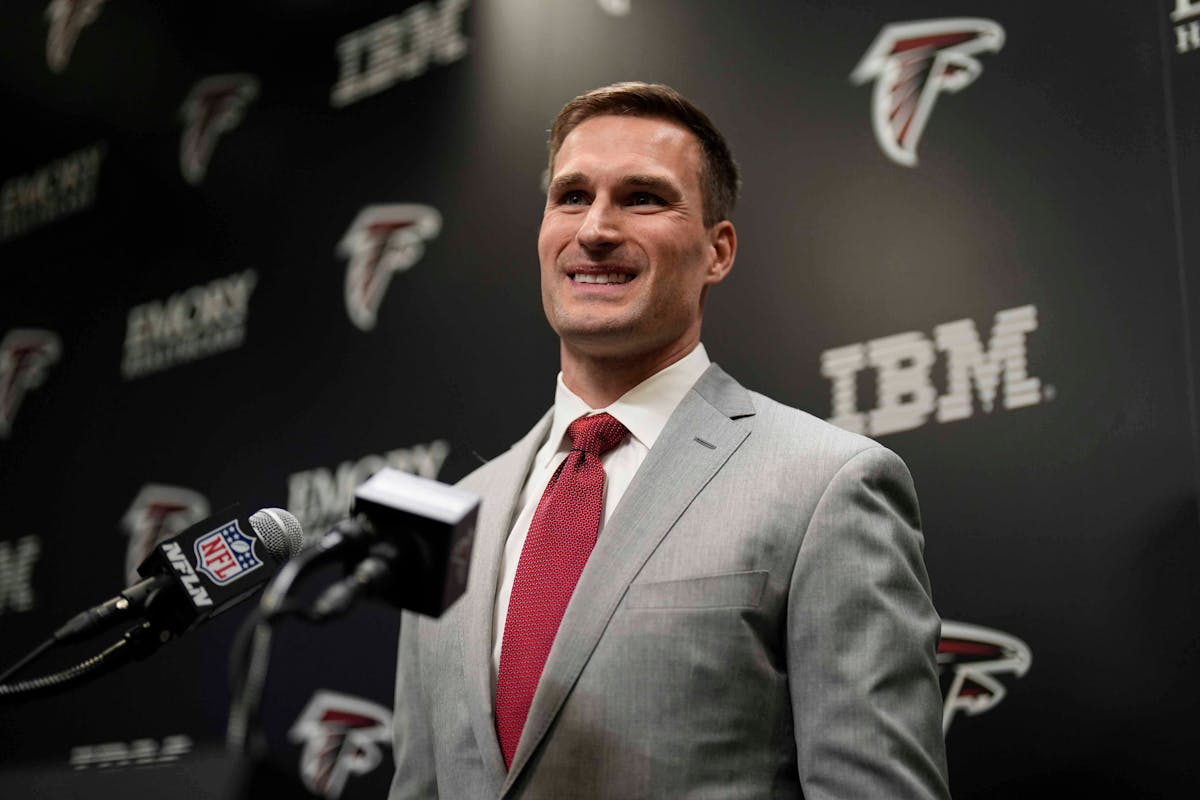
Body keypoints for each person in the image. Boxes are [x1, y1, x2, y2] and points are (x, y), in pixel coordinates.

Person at [389, 82, 950, 799]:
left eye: (642, 199)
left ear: (718, 251)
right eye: (571, 196)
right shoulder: (450, 516)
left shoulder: (828, 484)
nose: (594, 228)